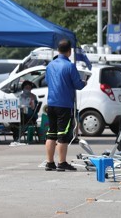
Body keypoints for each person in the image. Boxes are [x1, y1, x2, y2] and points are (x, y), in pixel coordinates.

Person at [45, 39, 86, 171]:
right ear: (70, 51)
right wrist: (84, 82)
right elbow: (78, 85)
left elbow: (47, 81)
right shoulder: (69, 66)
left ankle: (49, 162)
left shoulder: (50, 65)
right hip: (64, 105)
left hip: (51, 103)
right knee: (62, 134)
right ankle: (62, 163)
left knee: (51, 133)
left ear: (58, 50)